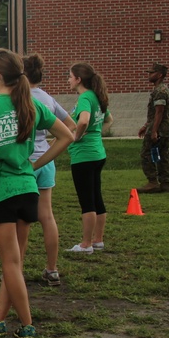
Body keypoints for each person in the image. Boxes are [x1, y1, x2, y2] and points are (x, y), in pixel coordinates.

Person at [0, 49, 73, 338]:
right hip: (27, 190)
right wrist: (36, 164)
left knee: (11, 263)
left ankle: (27, 325)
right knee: (15, 263)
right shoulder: (30, 103)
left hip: (0, 191)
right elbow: (67, 135)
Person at [22, 53, 75, 286]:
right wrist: (50, 147)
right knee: (47, 216)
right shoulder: (48, 98)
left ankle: (15, 271)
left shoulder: (20, 98)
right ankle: (52, 270)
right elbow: (70, 126)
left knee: (22, 219)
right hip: (46, 162)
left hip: (26, 162)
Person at [66, 62, 112, 253]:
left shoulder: (85, 97)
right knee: (96, 197)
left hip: (84, 156)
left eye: (70, 76)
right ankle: (98, 240)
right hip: (98, 153)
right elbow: (109, 120)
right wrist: (96, 133)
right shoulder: (96, 96)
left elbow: (83, 120)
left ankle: (86, 244)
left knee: (87, 201)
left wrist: (76, 137)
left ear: (78, 79)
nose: (68, 80)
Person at [137, 63, 169, 193]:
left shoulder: (160, 91)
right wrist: (145, 125)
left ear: (159, 75)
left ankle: (152, 182)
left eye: (152, 73)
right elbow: (155, 114)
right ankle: (164, 183)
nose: (149, 75)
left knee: (147, 154)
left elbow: (159, 112)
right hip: (162, 128)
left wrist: (153, 131)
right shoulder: (161, 89)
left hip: (159, 129)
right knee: (163, 156)